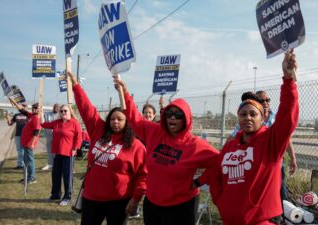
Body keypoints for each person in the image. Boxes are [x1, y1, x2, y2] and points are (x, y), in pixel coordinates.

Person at [207, 50, 299, 225]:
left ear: (262, 118)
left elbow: (287, 117)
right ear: (238, 118)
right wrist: (221, 202)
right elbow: (216, 174)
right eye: (243, 114)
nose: (247, 117)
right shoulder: (231, 145)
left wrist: (288, 81)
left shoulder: (270, 141)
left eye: (252, 114)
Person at [113, 75, 219, 225]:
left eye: (178, 115)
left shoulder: (195, 145)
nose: (173, 118)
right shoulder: (155, 132)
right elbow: (134, 117)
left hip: (182, 206)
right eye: (169, 114)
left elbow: (221, 163)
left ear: (187, 118)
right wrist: (124, 91)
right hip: (153, 203)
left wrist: (199, 181)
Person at [67, 71, 147, 225]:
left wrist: (136, 198)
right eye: (112, 119)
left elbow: (143, 176)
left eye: (120, 119)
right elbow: (86, 108)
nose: (115, 122)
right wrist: (75, 85)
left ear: (127, 122)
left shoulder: (135, 146)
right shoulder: (99, 131)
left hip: (119, 201)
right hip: (92, 197)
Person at [256, 90, 298, 201]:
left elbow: (287, 138)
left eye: (267, 100)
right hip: (258, 163)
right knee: (261, 193)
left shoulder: (276, 118)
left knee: (281, 192)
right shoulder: (252, 117)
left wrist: (293, 158)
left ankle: (283, 216)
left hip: (276, 162)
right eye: (261, 100)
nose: (265, 103)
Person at [40, 104, 82, 206]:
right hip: (58, 153)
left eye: (65, 111)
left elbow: (79, 137)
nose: (63, 112)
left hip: (68, 154)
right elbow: (44, 124)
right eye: (61, 111)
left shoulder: (74, 123)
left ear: (70, 112)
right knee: (55, 175)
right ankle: (55, 195)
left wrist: (75, 149)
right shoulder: (57, 122)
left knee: (67, 176)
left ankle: (67, 197)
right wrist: (40, 113)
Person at [9, 99, 41, 184]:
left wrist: (31, 143)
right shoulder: (31, 116)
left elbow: (36, 132)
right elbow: (21, 110)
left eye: (36, 108)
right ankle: (28, 177)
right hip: (25, 143)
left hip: (29, 144)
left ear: (40, 109)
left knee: (30, 161)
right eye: (33, 107)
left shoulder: (36, 119)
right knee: (26, 161)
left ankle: (32, 178)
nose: (34, 109)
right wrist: (14, 102)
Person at [6, 103, 28, 169]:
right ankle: (19, 165)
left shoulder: (28, 115)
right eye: (22, 105)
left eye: (25, 106)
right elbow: (10, 124)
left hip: (26, 135)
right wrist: (8, 118)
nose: (23, 107)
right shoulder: (16, 115)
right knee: (19, 150)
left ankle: (24, 164)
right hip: (18, 135)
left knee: (24, 151)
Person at [42, 103, 60, 171]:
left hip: (57, 136)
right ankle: (50, 164)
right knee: (49, 151)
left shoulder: (60, 115)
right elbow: (40, 118)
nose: (56, 108)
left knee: (56, 151)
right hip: (49, 136)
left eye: (57, 107)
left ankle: (56, 165)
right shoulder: (47, 114)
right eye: (55, 106)